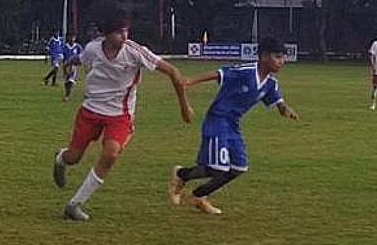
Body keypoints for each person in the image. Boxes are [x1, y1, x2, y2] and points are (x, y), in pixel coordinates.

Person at [51, 18, 192, 222]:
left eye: (126, 31)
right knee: (73, 157)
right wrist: (68, 63)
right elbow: (80, 59)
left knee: (111, 153)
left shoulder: (135, 51)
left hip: (120, 114)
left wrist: (184, 107)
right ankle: (60, 159)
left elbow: (173, 72)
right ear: (105, 34)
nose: (124, 36)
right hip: (91, 110)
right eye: (118, 32)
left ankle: (74, 204)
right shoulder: (93, 49)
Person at [168, 37, 299, 214]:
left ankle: (198, 196)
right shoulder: (246, 71)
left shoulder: (270, 83)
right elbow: (219, 73)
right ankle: (181, 174)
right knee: (217, 168)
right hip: (217, 119)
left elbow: (276, 100)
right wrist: (191, 81)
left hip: (233, 125)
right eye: (278, 57)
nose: (282, 62)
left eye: (283, 57)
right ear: (264, 56)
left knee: (238, 168)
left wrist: (284, 108)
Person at [61, 32, 82, 102]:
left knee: (71, 80)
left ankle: (67, 95)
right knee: (66, 81)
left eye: (73, 37)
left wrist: (78, 62)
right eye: (70, 37)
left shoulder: (78, 47)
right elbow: (62, 56)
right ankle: (67, 93)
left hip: (73, 66)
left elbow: (81, 56)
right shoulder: (64, 46)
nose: (72, 39)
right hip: (65, 65)